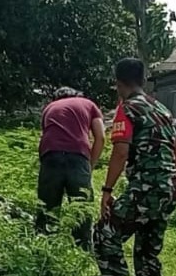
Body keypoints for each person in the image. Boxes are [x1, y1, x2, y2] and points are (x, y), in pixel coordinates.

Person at [94, 58, 176, 276]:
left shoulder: (127, 108)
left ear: (118, 83)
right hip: (170, 189)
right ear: (143, 80)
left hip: (148, 188)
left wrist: (107, 190)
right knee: (147, 252)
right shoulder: (161, 109)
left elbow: (121, 152)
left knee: (104, 235)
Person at [36, 87, 105, 251]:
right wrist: (90, 165)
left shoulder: (49, 108)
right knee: (81, 205)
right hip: (77, 155)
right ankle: (82, 249)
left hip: (50, 155)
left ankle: (43, 248)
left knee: (48, 206)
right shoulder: (89, 104)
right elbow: (101, 137)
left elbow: (46, 135)